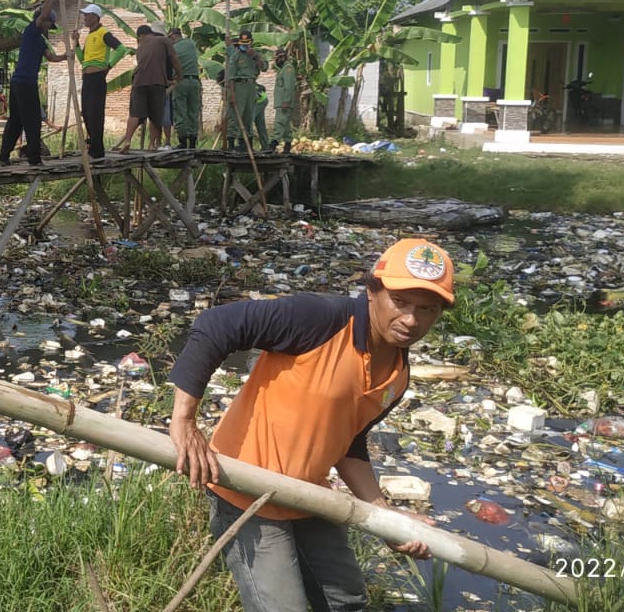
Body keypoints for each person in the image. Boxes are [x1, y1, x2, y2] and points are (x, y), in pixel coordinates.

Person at [168, 238, 451, 611]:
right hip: (244, 489)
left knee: (346, 600)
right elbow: (217, 324)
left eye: (426, 309)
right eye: (400, 302)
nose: (411, 320)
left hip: (309, 496)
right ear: (372, 291)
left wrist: (385, 516)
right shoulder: (320, 320)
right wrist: (184, 420)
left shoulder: (398, 375)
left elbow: (349, 441)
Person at [0, 0, 68, 167]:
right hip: (24, 82)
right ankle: (34, 159)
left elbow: (51, 58)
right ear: (43, 21)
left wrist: (66, 55)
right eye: (48, 24)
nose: (48, 28)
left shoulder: (40, 41)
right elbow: (45, 11)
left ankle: (4, 157)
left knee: (17, 120)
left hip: (21, 82)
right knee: (32, 120)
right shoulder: (31, 31)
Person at [69, 3, 123, 161]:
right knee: (86, 111)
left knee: (95, 113)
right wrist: (77, 43)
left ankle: (98, 150)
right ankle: (92, 143)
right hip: (87, 77)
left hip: (97, 77)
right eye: (84, 15)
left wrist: (109, 66)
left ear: (95, 17)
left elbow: (121, 49)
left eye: (87, 15)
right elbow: (82, 59)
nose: (84, 18)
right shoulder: (90, 36)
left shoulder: (103, 33)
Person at [115, 23, 178, 153]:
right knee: (155, 116)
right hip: (157, 83)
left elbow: (146, 66)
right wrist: (180, 75)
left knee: (134, 115)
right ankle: (152, 144)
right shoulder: (164, 41)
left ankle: (127, 141)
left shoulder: (140, 47)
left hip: (139, 82)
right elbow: (174, 59)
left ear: (142, 36)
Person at [223, 30, 267, 152]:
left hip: (252, 86)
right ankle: (231, 142)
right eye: (242, 43)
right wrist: (231, 94)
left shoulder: (256, 54)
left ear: (251, 42)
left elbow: (264, 67)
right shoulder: (236, 56)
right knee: (236, 114)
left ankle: (245, 143)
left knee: (248, 115)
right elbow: (231, 77)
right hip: (239, 86)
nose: (245, 45)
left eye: (247, 42)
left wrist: (255, 57)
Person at [168, 28, 202, 149]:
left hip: (180, 82)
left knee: (180, 112)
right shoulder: (191, 43)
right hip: (195, 81)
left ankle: (183, 142)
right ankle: (192, 143)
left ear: (172, 37)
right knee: (193, 112)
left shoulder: (173, 49)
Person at [270, 47, 297, 154]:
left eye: (277, 58)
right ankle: (287, 146)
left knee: (279, 123)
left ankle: (273, 144)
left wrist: (286, 101)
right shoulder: (283, 69)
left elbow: (289, 86)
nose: (276, 61)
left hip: (284, 103)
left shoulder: (288, 69)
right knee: (285, 126)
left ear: (282, 57)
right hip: (281, 103)